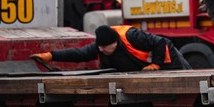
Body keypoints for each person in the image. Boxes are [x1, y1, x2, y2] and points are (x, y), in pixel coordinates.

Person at [30, 24, 191, 71]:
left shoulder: (132, 36)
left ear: (114, 43)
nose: (101, 51)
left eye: (104, 47)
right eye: (99, 47)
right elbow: (79, 54)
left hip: (170, 61)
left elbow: (160, 42)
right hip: (148, 71)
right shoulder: (101, 46)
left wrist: (156, 63)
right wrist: (50, 56)